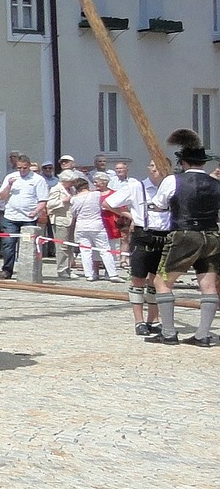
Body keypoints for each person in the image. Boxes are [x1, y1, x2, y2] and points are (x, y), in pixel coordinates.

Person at [148, 129, 220, 347]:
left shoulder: (173, 180)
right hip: (212, 235)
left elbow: (160, 204)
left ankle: (168, 333)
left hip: (184, 234)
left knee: (162, 281)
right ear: (203, 163)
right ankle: (203, 335)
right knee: (208, 285)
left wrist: (154, 206)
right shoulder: (216, 184)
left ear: (184, 161)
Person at [128, 162, 171, 338]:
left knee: (156, 280)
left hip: (164, 236)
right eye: (151, 165)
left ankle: (152, 320)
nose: (154, 168)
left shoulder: (171, 187)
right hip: (143, 234)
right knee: (138, 279)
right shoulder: (137, 187)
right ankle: (138, 321)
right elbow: (108, 202)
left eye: (157, 165)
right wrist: (130, 216)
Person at [0, 154, 46, 279]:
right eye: (19, 168)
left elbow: (43, 200)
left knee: (27, 245)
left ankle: (27, 271)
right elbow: (2, 196)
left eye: (24, 168)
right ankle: (7, 270)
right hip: (11, 217)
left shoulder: (38, 179)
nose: (21, 170)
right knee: (8, 244)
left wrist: (36, 211)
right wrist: (9, 185)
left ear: (29, 166)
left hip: (28, 219)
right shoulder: (11, 177)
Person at [71, 176, 118, 282]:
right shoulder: (96, 195)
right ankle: (112, 274)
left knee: (85, 251)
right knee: (105, 250)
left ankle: (89, 274)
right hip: (97, 225)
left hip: (82, 226)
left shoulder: (74, 199)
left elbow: (73, 214)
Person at [45, 166, 78, 279]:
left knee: (70, 246)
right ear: (65, 180)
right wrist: (62, 201)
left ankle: (69, 268)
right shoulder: (56, 189)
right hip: (60, 220)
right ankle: (62, 269)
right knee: (62, 247)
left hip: (71, 220)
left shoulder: (71, 190)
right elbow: (50, 204)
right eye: (71, 181)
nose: (73, 183)